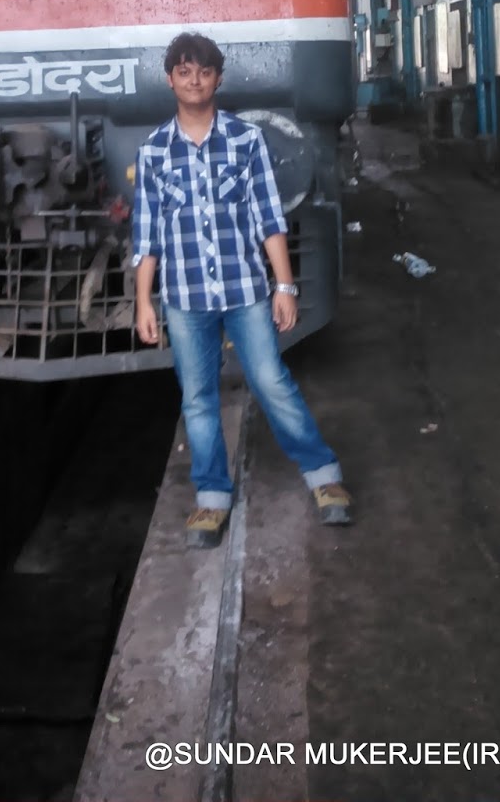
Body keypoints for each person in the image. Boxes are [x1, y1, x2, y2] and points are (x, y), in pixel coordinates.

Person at [133, 31, 352, 547]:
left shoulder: (244, 140)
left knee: (272, 380)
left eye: (204, 72)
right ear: (171, 80)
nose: (194, 80)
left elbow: (268, 219)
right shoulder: (153, 152)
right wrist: (144, 300)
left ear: (217, 80)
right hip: (184, 298)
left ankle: (324, 476)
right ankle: (211, 497)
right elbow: (145, 236)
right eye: (184, 72)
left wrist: (285, 285)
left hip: (245, 288)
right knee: (199, 399)